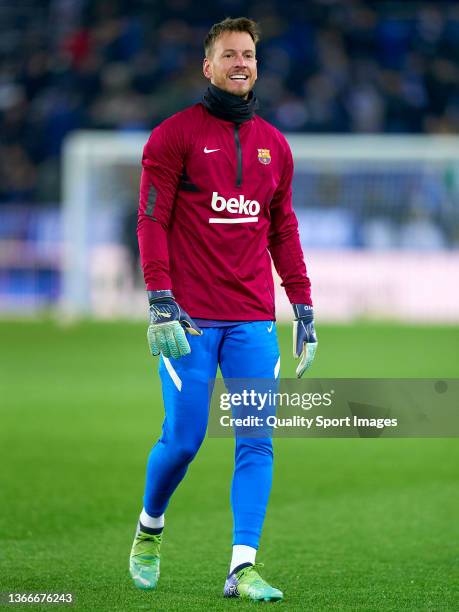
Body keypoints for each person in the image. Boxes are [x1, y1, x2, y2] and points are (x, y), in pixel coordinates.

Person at [130, 16, 317, 602]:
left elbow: (282, 229)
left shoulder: (275, 146)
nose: (242, 63)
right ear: (207, 66)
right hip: (186, 319)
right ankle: (149, 528)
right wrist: (160, 298)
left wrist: (303, 304)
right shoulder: (173, 136)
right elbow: (151, 218)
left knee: (256, 438)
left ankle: (241, 565)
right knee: (184, 440)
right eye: (230, 54)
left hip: (252, 320)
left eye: (250, 55)